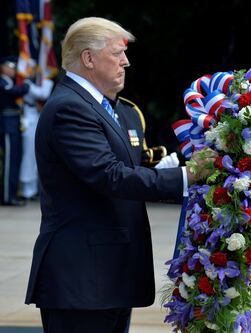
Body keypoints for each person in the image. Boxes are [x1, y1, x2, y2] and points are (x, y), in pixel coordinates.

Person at [24, 17, 215, 333]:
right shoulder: (70, 108)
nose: (126, 61)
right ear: (88, 58)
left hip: (105, 277)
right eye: (116, 53)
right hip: (82, 280)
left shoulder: (102, 107)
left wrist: (168, 171)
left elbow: (125, 170)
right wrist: (187, 175)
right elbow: (110, 176)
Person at [19, 61, 54, 200]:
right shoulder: (23, 81)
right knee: (27, 154)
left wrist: (30, 84)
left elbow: (43, 94)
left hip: (37, 116)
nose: (32, 71)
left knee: (35, 154)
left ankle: (33, 189)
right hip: (26, 117)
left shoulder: (32, 83)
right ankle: (26, 189)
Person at [0, 56, 29, 206]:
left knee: (14, 160)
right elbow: (13, 92)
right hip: (7, 125)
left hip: (14, 124)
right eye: (10, 66)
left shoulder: (10, 82)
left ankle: (11, 193)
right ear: (3, 67)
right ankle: (6, 196)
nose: (13, 69)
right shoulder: (3, 82)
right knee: (9, 162)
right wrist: (26, 85)